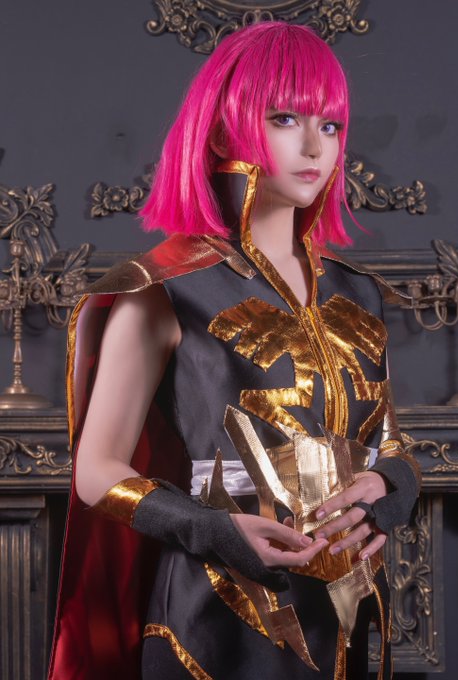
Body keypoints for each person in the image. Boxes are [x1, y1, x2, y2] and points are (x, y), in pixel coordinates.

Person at [48, 21, 421, 680]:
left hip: (350, 609)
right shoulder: (164, 289)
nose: (314, 146)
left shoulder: (358, 293)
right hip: (211, 613)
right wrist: (211, 529)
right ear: (223, 132)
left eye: (330, 125)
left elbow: (388, 440)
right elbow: (97, 470)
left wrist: (390, 489)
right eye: (285, 119)